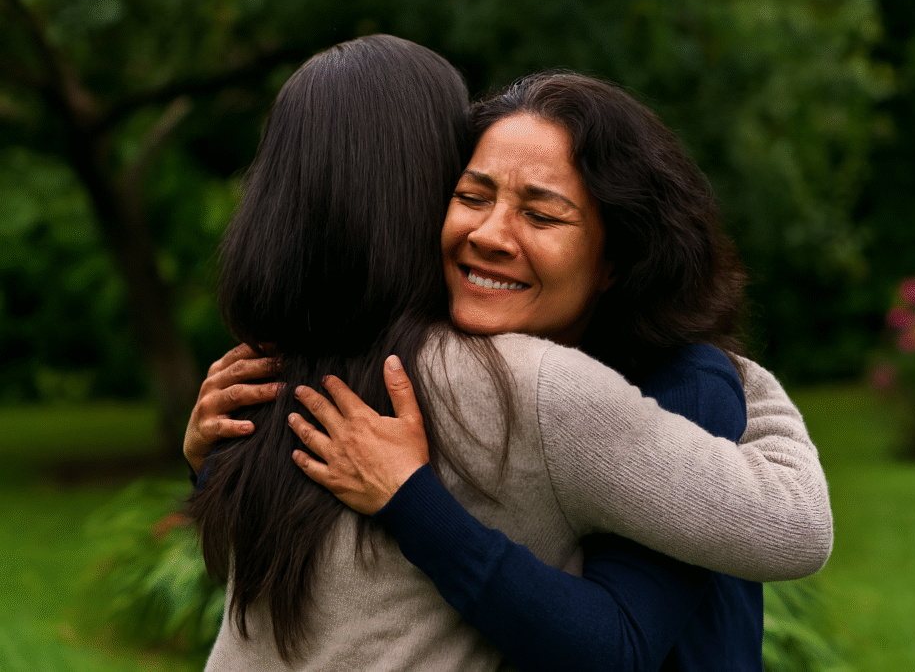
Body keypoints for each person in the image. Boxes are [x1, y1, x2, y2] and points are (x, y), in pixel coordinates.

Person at [186, 38, 831, 672]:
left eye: (542, 217)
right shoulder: (503, 383)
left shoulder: (295, 364)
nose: (490, 235)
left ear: (616, 259)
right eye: (469, 196)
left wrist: (729, 376)